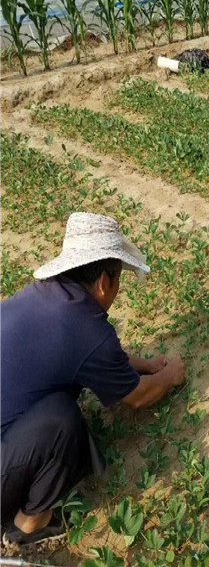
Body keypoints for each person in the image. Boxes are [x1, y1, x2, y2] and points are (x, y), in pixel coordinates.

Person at [1, 212, 186, 546]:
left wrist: (143, 363)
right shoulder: (85, 326)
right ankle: (28, 526)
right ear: (104, 281)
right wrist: (170, 376)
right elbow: (137, 397)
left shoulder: (41, 296)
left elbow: (84, 353)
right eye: (118, 280)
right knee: (61, 421)